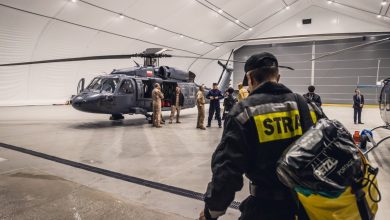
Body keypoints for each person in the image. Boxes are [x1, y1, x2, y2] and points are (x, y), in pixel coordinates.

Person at [199, 52, 316, 220]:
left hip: (265, 208)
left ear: (250, 79)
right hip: (306, 206)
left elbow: (228, 170)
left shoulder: (243, 112)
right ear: (278, 76)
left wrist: (213, 210)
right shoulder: (304, 105)